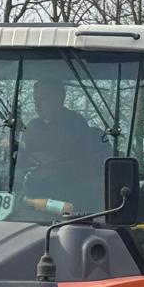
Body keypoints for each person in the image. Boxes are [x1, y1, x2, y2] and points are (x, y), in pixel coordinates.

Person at [17, 79, 104, 215]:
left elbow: (71, 159)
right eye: (35, 100)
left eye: (43, 99)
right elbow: (24, 157)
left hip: (65, 198)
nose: (37, 105)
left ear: (59, 99)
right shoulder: (33, 126)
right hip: (29, 192)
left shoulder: (74, 125)